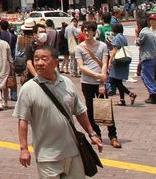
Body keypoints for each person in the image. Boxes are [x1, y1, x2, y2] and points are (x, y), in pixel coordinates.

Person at [15, 45, 104, 179]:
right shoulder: (28, 88)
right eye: (36, 59)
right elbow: (23, 121)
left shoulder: (67, 83)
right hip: (47, 156)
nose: (39, 63)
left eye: (44, 59)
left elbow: (80, 111)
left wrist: (91, 133)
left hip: (73, 152)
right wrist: (24, 149)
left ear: (56, 62)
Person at [76, 21, 120, 149]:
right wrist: (96, 75)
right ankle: (96, 134)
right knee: (90, 109)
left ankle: (113, 136)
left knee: (106, 108)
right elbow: (81, 66)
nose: (86, 33)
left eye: (89, 30)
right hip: (86, 82)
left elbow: (105, 63)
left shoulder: (102, 46)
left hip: (100, 82)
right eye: (84, 30)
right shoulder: (80, 47)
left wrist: (102, 80)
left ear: (94, 31)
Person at [108, 22, 136, 107]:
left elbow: (115, 50)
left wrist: (110, 60)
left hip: (118, 61)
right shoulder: (123, 37)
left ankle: (130, 94)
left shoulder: (117, 37)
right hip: (124, 60)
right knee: (119, 81)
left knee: (116, 81)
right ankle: (122, 100)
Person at [137, 14, 156, 104]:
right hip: (152, 56)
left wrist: (137, 35)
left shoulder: (143, 32)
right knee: (147, 75)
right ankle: (152, 93)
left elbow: (138, 42)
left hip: (147, 57)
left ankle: (153, 93)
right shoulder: (150, 31)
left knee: (146, 76)